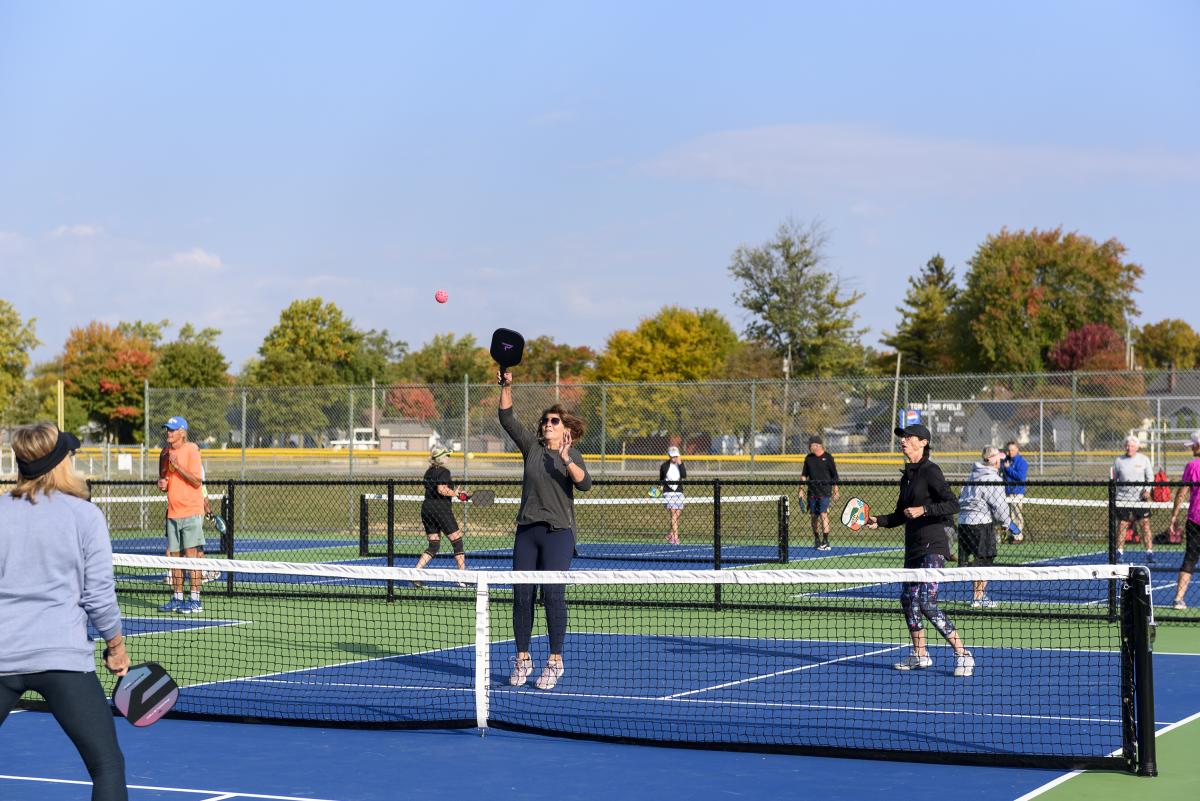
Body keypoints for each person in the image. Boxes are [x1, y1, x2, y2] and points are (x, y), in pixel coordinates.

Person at [0, 423, 130, 801]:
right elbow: (99, 596)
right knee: (107, 766)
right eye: (70, 454)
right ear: (61, 463)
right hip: (62, 661)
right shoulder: (85, 515)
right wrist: (116, 646)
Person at [499, 368, 592, 691]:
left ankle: (555, 661)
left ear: (565, 429)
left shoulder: (572, 455)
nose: (547, 425)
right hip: (527, 531)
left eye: (554, 421)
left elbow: (585, 485)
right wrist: (506, 386)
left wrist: (566, 459)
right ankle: (523, 658)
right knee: (522, 595)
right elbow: (507, 418)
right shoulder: (532, 449)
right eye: (545, 421)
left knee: (553, 595)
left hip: (558, 534)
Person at [866, 423, 974, 677]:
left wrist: (924, 510)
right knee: (908, 599)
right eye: (902, 437)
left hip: (933, 547)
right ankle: (920, 654)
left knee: (926, 601)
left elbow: (953, 504)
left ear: (923, 442)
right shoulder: (908, 476)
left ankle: (963, 654)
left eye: (909, 437)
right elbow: (900, 514)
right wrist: (877, 521)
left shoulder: (930, 471)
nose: (903, 441)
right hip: (913, 547)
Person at [957, 445, 1020, 608]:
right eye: (998, 458)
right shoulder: (994, 479)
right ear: (992, 460)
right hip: (980, 524)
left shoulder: (971, 476)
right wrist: (1007, 523)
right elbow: (1000, 506)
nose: (1001, 461)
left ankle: (976, 596)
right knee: (985, 561)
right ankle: (978, 597)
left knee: (977, 561)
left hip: (964, 524)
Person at [156, 415, 206, 613]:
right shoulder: (167, 453)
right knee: (174, 558)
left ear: (182, 433)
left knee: (191, 557)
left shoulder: (192, 450)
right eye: (167, 429)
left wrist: (178, 467)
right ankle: (177, 597)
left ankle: (195, 600)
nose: (168, 432)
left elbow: (196, 481)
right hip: (173, 513)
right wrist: (163, 484)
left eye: (172, 429)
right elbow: (168, 481)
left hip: (192, 512)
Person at [413, 446, 467, 587]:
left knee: (434, 545)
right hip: (440, 509)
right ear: (440, 458)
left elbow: (440, 489)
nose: (449, 458)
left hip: (427, 509)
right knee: (457, 542)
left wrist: (456, 494)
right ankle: (462, 578)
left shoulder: (428, 472)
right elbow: (442, 489)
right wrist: (454, 493)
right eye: (447, 455)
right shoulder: (444, 472)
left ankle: (416, 573)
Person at [1167, 431, 1200, 610]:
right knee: (1190, 558)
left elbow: (1182, 492)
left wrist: (1174, 515)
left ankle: (1178, 599)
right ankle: (1178, 599)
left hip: (1195, 519)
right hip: (1196, 518)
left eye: (1193, 445)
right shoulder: (1192, 465)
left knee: (1190, 558)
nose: (1192, 449)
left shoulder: (1192, 466)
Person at [1113, 435, 1155, 560]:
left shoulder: (1144, 460)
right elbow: (1114, 478)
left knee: (1145, 524)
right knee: (1122, 524)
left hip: (1140, 499)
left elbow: (1150, 478)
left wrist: (1147, 490)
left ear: (1137, 447)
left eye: (1131, 446)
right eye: (1127, 445)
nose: (1128, 448)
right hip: (1122, 499)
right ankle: (1119, 552)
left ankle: (1149, 552)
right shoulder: (1118, 460)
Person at [799, 435, 840, 551]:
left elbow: (834, 476)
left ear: (817, 445)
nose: (808, 446)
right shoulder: (808, 458)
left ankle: (826, 540)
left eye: (810, 444)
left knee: (823, 514)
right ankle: (817, 539)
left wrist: (836, 490)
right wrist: (801, 490)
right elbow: (803, 476)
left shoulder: (828, 458)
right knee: (813, 516)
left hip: (825, 492)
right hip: (812, 492)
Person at [999, 441, 1028, 543]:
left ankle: (1018, 536)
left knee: (1017, 514)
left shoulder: (1022, 462)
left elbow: (1020, 477)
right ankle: (1012, 535)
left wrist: (1008, 469)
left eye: (1012, 449)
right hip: (1006, 492)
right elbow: (1001, 471)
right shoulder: (1006, 460)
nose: (1010, 452)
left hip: (1017, 492)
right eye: (1009, 450)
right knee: (1008, 515)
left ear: (1017, 450)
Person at [659, 446, 686, 544]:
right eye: (672, 456)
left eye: (676, 456)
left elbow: (684, 475)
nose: (674, 458)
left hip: (679, 492)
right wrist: (659, 489)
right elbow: (661, 479)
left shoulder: (680, 465)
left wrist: (681, 464)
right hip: (668, 492)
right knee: (673, 513)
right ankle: (675, 537)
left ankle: (670, 533)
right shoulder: (664, 466)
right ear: (669, 456)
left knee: (677, 514)